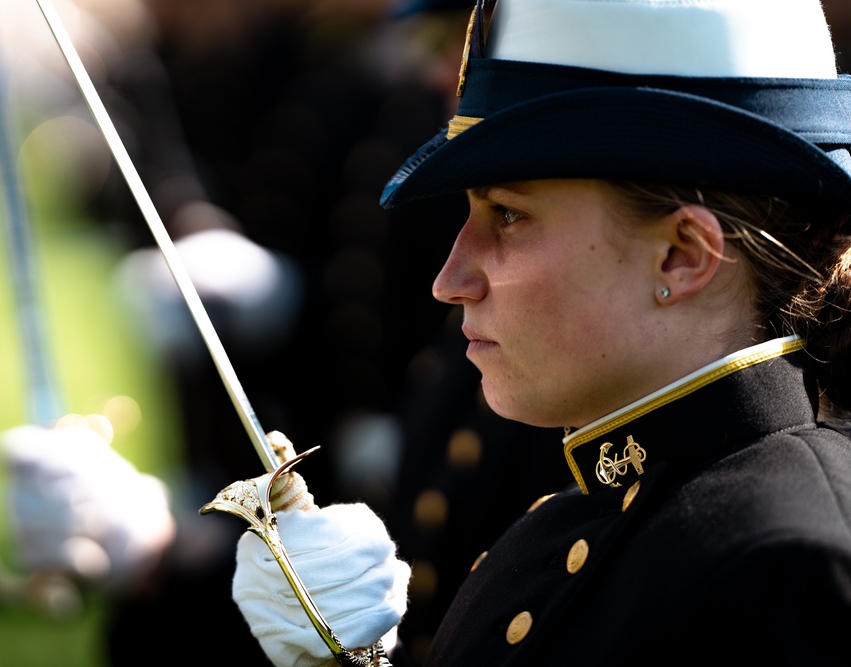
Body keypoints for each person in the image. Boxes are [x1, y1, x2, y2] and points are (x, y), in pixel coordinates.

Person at [226, 0, 851, 665]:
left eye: (508, 214)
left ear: (683, 253)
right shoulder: (575, 521)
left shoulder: (786, 565)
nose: (450, 277)